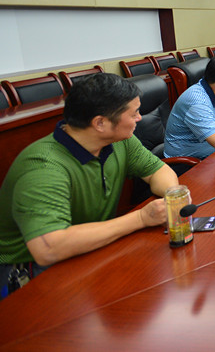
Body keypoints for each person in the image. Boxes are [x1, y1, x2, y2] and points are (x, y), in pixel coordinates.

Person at [0, 73, 180, 295]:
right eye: (133, 113)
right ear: (100, 123)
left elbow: (157, 170)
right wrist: (141, 218)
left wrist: (173, 195)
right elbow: (48, 248)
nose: (139, 118)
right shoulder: (43, 167)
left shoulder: (120, 141)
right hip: (29, 270)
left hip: (89, 247)